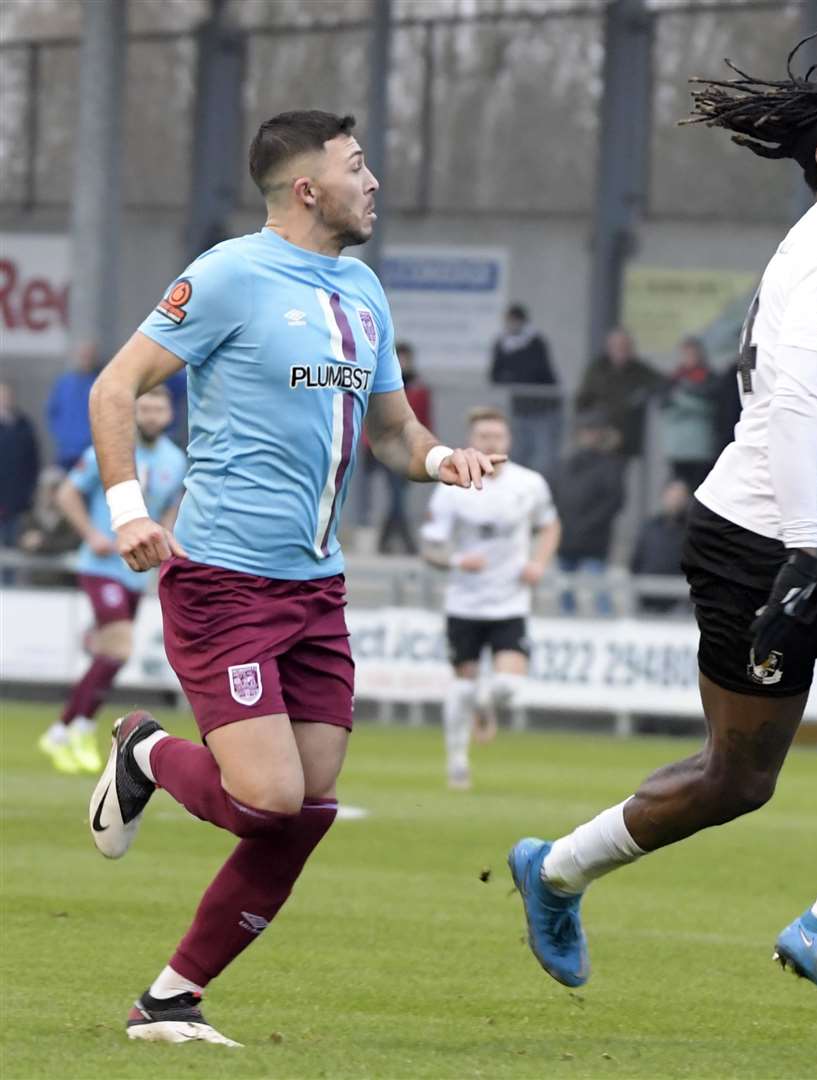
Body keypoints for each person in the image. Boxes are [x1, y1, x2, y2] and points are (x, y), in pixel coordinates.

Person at [508, 43, 817, 1031]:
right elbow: (794, 407)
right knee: (737, 781)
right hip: (758, 541)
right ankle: (556, 870)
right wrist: (804, 558)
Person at [83, 110, 496, 1047]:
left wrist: (444, 463)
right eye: (358, 166)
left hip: (317, 590)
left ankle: (171, 1001)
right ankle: (144, 751)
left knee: (302, 810)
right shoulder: (231, 273)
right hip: (224, 579)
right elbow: (117, 387)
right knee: (266, 798)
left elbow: (394, 431)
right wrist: (129, 510)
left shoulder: (363, 290)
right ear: (308, 189)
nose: (374, 180)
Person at [40, 388, 187, 775]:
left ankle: (62, 729)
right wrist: (91, 534)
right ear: (135, 413)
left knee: (111, 654)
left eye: (159, 408)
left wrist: (164, 555)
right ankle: (81, 727)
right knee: (119, 647)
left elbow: (171, 508)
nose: (153, 415)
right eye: (146, 408)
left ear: (169, 414)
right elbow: (68, 493)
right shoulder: (111, 452)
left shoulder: (176, 461)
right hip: (100, 565)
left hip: (135, 571)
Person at [421, 407, 559, 790]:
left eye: (497, 436)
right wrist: (457, 560)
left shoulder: (529, 484)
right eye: (483, 437)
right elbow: (430, 549)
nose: (491, 443)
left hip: (510, 602)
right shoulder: (452, 487)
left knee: (508, 688)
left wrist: (538, 563)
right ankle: (457, 762)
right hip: (464, 604)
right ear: (471, 441)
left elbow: (550, 525)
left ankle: (486, 703)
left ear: (508, 440)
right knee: (461, 686)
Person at [354, 341, 432, 553]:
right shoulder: (378, 382)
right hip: (374, 446)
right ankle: (400, 542)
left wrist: (425, 448)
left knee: (398, 496)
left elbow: (423, 419)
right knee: (372, 496)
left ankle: (389, 540)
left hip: (404, 448)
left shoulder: (419, 388)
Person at [551, 416, 628, 612]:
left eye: (593, 431)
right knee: (565, 593)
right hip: (566, 539)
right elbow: (554, 495)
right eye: (586, 431)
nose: (589, 436)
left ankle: (606, 633)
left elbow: (614, 501)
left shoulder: (611, 465)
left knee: (600, 593)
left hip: (594, 541)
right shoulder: (566, 464)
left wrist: (586, 525)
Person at [574, 327, 665, 460]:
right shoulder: (597, 369)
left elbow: (660, 382)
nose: (621, 351)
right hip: (595, 428)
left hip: (624, 433)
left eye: (625, 346)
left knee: (613, 469)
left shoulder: (639, 370)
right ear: (609, 347)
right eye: (618, 346)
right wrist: (584, 426)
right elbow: (582, 399)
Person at [490, 303, 560, 474]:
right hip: (519, 408)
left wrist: (513, 375)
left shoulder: (535, 342)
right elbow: (495, 374)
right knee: (518, 454)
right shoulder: (502, 343)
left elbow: (538, 371)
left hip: (542, 408)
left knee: (542, 458)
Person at [659, 336, 724, 488]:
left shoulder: (711, 379)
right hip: (677, 448)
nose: (690, 358)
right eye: (686, 354)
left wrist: (681, 400)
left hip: (701, 448)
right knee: (678, 490)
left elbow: (713, 407)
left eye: (693, 354)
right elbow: (663, 406)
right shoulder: (673, 379)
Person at [630, 478, 692, 613]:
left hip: (677, 604)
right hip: (647, 602)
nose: (675, 500)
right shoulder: (650, 527)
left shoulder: (691, 532)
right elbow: (636, 561)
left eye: (679, 496)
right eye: (672, 495)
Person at [47, 342, 102, 469]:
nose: (85, 359)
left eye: (89, 356)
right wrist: (63, 435)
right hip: (67, 452)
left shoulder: (100, 383)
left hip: (92, 452)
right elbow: (52, 412)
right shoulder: (64, 383)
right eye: (83, 356)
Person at [0, 382, 41, 552]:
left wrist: (28, 493)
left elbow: (33, 462)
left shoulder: (24, 425)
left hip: (18, 501)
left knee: (14, 545)